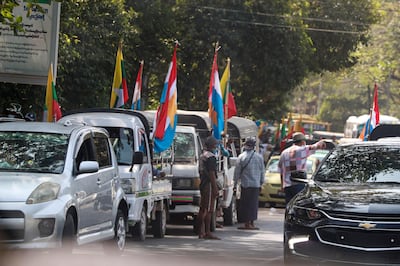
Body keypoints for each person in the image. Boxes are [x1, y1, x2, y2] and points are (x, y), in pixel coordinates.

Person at [278, 132, 326, 204]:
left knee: (289, 206)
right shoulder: (302, 150)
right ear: (303, 141)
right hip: (299, 184)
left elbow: (281, 170)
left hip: (287, 186)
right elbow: (317, 146)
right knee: (299, 206)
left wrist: (282, 185)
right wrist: (322, 141)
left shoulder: (284, 152)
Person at [234, 137, 265, 230]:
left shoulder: (241, 157)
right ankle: (252, 223)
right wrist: (261, 183)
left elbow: (237, 172)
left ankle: (247, 224)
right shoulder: (259, 157)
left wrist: (235, 183)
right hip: (256, 184)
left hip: (245, 184)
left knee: (246, 204)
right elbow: (262, 171)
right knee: (253, 204)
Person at [197, 135, 220, 240]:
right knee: (209, 209)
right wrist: (215, 188)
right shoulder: (211, 157)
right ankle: (207, 232)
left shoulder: (203, 155)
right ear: (212, 145)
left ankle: (201, 232)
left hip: (202, 183)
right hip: (209, 184)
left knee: (202, 209)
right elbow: (211, 173)